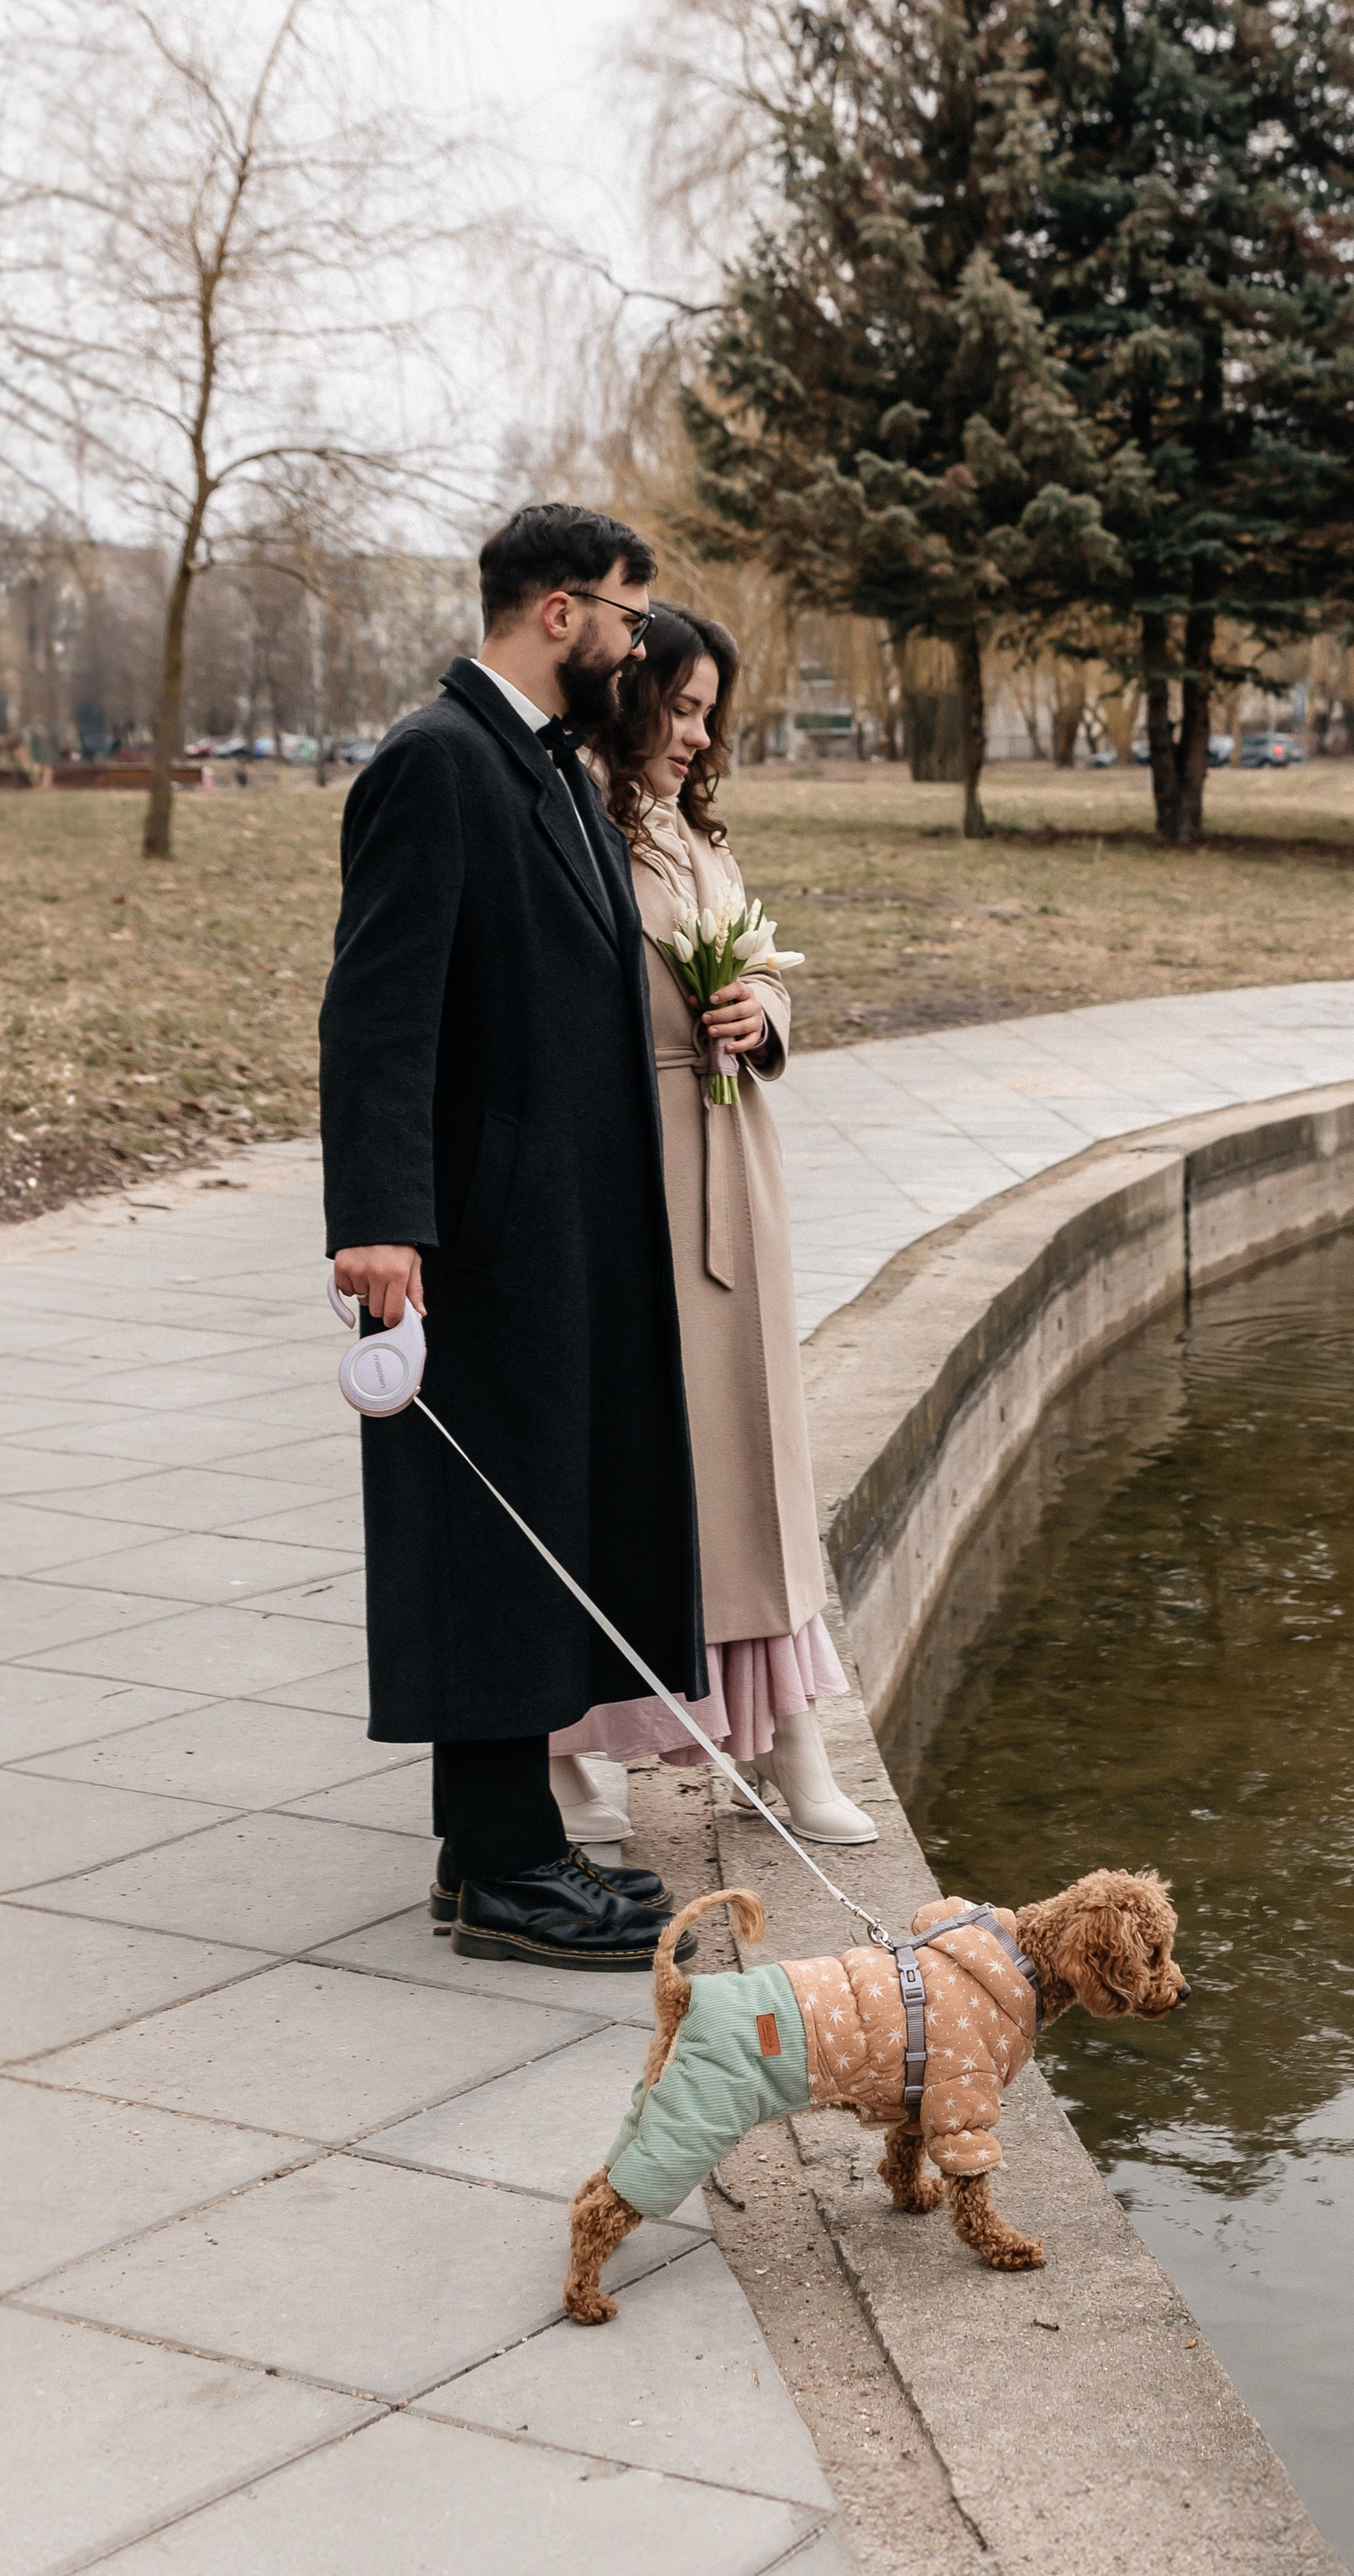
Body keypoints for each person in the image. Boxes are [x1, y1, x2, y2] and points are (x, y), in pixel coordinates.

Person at [319, 503, 708, 1969]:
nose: (639, 639)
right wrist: (380, 1225)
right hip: (477, 1238)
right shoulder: (438, 762)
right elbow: (376, 1010)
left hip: (561, 1230)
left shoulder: (540, 763)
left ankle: (503, 1842)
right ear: (557, 612)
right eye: (625, 610)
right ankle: (501, 1871)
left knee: (535, 1529)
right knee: (485, 1538)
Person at [546, 603, 876, 1846]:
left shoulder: (693, 832)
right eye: (678, 707)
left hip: (738, 1166)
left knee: (761, 1461)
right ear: (630, 697)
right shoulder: (575, 817)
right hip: (637, 1174)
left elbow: (761, 962)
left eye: (707, 714)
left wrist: (760, 1007)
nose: (695, 734)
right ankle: (585, 1756)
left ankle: (795, 1746)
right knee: (648, 1466)